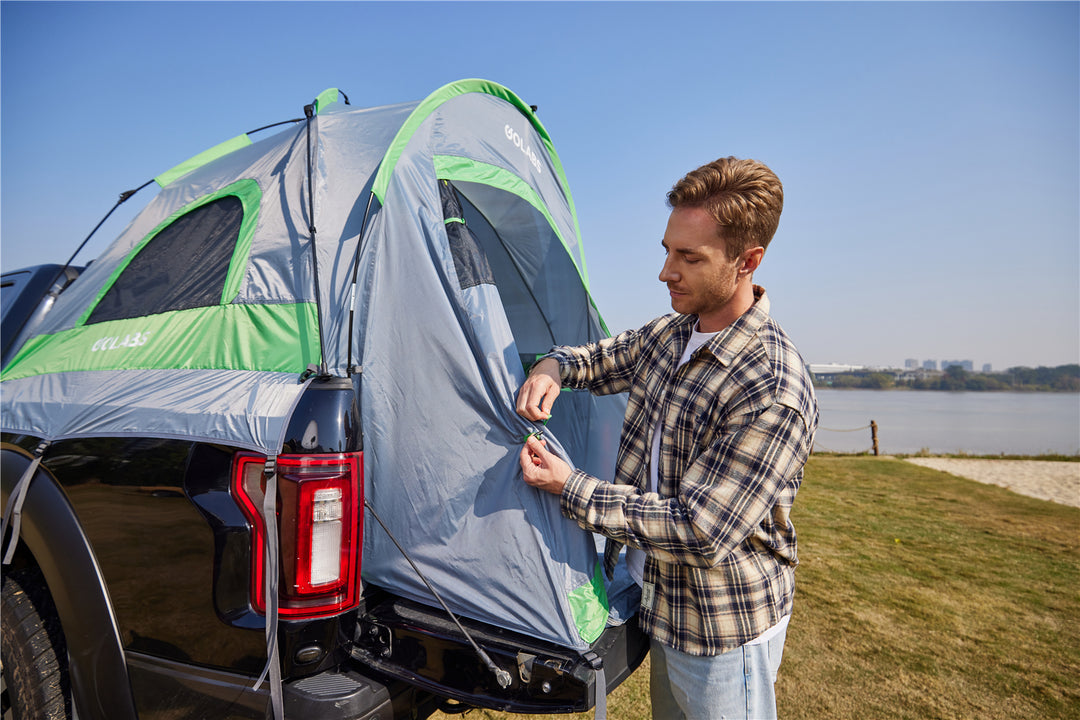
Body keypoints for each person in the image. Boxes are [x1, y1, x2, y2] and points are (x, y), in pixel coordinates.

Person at [516, 156, 818, 720]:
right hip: (661, 605)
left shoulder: (771, 384)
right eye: (666, 250)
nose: (665, 272)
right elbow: (598, 359)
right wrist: (552, 367)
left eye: (689, 257)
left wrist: (570, 487)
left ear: (748, 261)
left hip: (721, 630)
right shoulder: (668, 334)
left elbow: (701, 530)